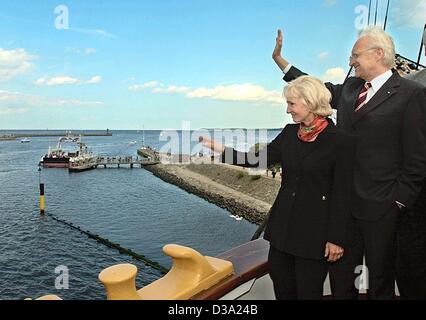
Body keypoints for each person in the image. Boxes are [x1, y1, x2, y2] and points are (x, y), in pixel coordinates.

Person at [272, 27, 426, 299]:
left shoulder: (411, 94)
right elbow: (313, 89)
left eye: (355, 55)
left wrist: (398, 203)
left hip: (382, 208)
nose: (350, 61)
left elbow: (417, 158)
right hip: (342, 207)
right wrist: (281, 62)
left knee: (379, 279)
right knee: (343, 280)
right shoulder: (350, 89)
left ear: (378, 54)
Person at [201, 76, 355, 300]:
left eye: (291, 104)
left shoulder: (341, 141)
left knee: (308, 293)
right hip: (283, 233)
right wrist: (222, 150)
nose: (287, 110)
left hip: (315, 237)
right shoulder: (289, 133)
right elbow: (259, 159)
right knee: (282, 290)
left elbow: (344, 193)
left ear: (310, 102)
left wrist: (337, 238)